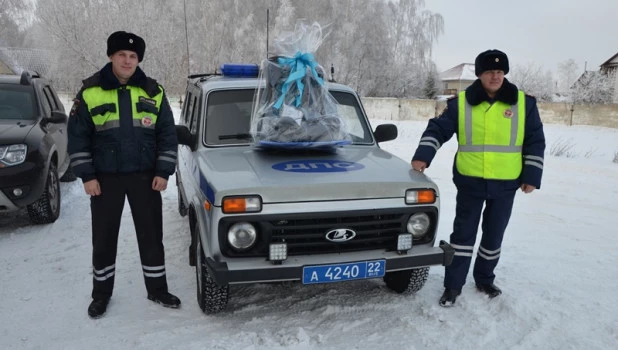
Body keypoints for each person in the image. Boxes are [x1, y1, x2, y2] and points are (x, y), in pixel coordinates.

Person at [411, 49, 545, 307]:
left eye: (499, 71)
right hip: (470, 180)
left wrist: (531, 176)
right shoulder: (461, 103)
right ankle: (453, 286)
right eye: (488, 72)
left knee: (493, 236)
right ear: (480, 74)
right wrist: (422, 157)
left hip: (507, 183)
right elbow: (437, 129)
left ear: (504, 73)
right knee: (462, 237)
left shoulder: (523, 103)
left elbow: (535, 141)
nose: (495, 76)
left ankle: (484, 278)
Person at [67, 31, 180, 318]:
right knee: (104, 238)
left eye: (133, 56)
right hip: (106, 179)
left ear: (138, 59)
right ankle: (101, 294)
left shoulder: (154, 90)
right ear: (111, 57)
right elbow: (78, 138)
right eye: (122, 55)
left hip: (146, 177)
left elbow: (167, 134)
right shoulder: (90, 91)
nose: (127, 61)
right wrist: (87, 176)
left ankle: (157, 289)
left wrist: (164, 171)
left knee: (152, 236)